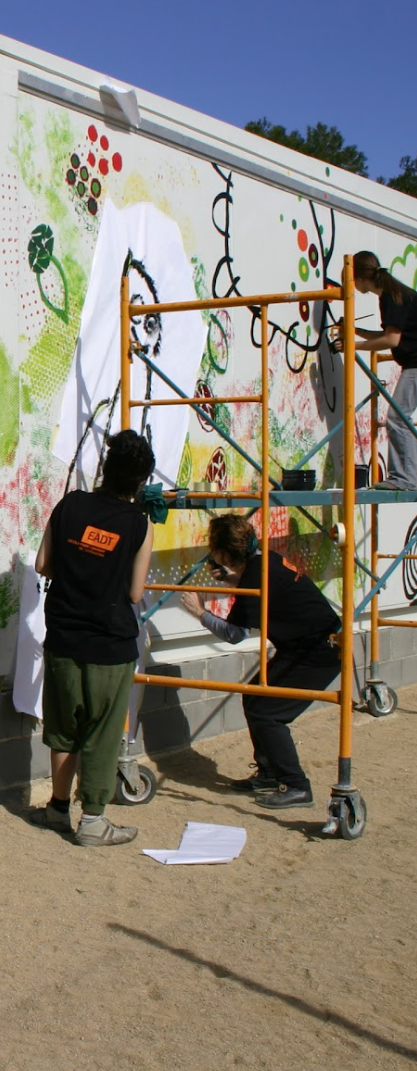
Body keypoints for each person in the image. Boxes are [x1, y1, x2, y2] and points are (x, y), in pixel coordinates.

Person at [29, 429, 156, 847]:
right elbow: (135, 593)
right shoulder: (139, 524)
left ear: (105, 466)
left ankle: (57, 809)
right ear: (140, 480)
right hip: (110, 644)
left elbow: (42, 563)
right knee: (101, 732)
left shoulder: (70, 504)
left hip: (64, 637)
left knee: (64, 729)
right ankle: (94, 821)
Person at [181, 514, 339, 810]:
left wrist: (199, 612)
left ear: (223, 554)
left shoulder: (256, 575)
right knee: (255, 698)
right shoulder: (264, 561)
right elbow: (262, 590)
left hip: (317, 652)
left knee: (267, 713)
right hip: (311, 646)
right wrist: (229, 578)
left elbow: (234, 634)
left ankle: (296, 785)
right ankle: (269, 774)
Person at [331, 250, 417, 490]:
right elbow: (388, 334)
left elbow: (391, 340)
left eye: (350, 282)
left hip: (415, 365)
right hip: (413, 364)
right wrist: (354, 332)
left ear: (359, 278)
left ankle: (405, 479)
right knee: (401, 418)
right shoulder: (393, 293)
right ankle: (407, 477)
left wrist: (352, 345)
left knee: (397, 419)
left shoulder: (392, 296)